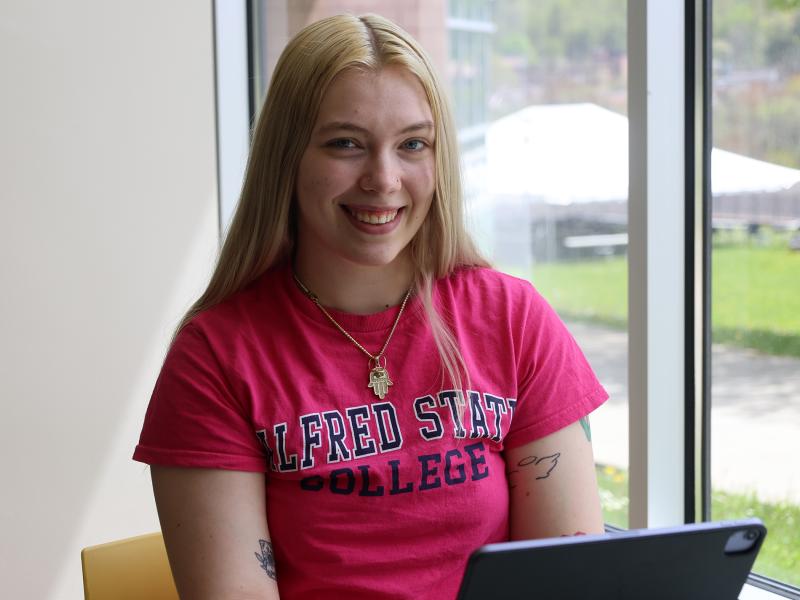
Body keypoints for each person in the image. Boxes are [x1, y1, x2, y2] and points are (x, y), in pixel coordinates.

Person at [133, 13, 608, 600]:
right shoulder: (215, 355)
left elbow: (567, 580)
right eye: (346, 144)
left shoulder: (512, 319)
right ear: (287, 157)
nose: (383, 179)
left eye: (412, 144)